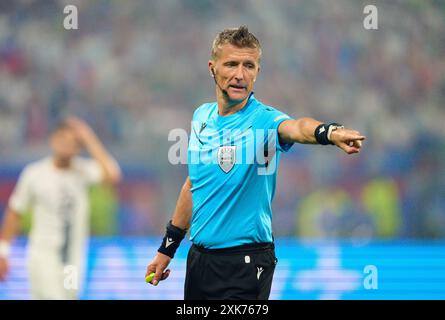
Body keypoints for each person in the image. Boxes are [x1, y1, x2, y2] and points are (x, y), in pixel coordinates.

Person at [145, 26, 365, 300]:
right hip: (200, 260)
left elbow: (298, 127)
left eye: (249, 65)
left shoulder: (264, 120)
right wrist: (167, 249)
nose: (240, 74)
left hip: (246, 264)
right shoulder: (201, 116)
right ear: (212, 68)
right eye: (231, 64)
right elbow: (193, 184)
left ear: (257, 72)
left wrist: (328, 132)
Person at [0, 116, 121, 299]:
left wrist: (88, 138)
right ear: (53, 140)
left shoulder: (82, 171)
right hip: (44, 256)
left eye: (73, 142)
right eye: (63, 139)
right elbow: (15, 211)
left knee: (68, 296)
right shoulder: (35, 174)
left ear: (78, 148)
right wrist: (3, 251)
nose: (66, 145)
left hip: (72, 261)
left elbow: (112, 175)